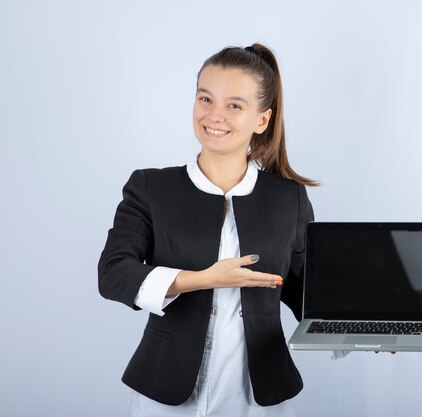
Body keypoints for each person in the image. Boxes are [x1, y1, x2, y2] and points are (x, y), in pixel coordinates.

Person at [98, 43, 317, 417]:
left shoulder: (288, 199)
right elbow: (114, 273)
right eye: (205, 99)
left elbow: (304, 290)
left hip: (256, 396)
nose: (215, 116)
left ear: (262, 120)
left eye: (234, 105)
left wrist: (370, 328)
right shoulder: (151, 187)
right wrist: (199, 279)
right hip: (165, 393)